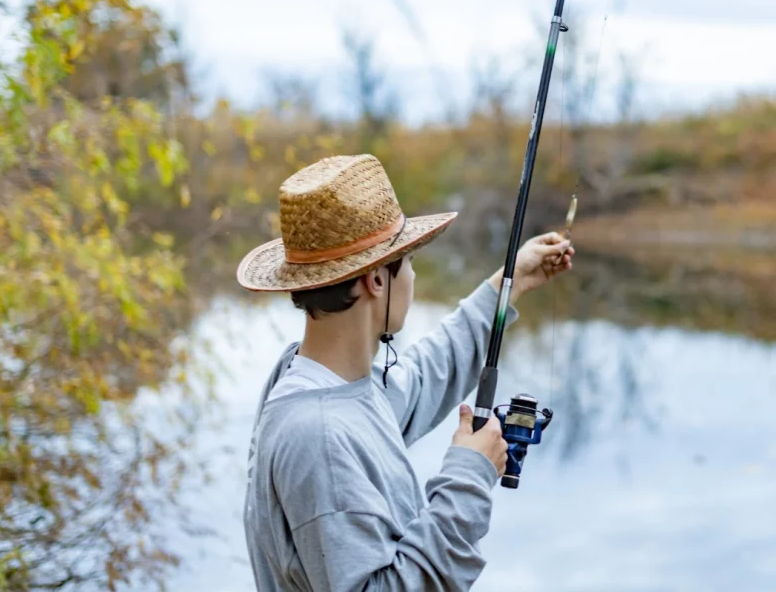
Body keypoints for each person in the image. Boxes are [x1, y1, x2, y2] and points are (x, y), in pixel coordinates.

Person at [236, 154, 574, 591]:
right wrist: (468, 478)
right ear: (376, 280)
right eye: (408, 262)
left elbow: (418, 381)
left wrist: (510, 283)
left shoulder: (329, 383)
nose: (413, 278)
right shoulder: (318, 435)